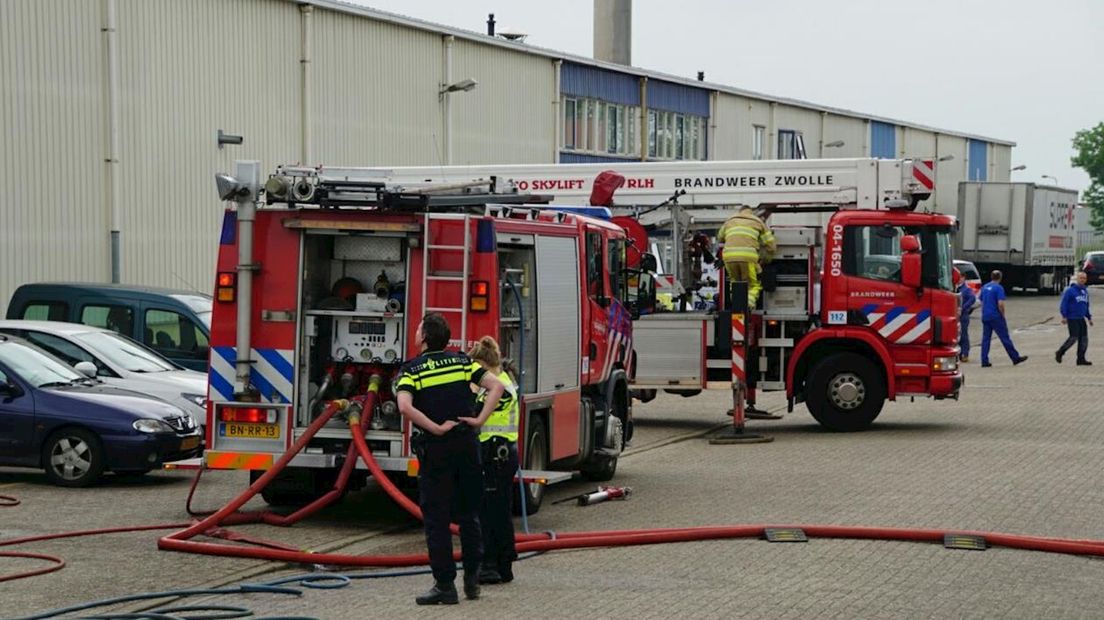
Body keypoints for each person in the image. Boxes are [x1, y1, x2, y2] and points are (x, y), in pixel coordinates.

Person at [396, 313, 505, 606]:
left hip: (436, 450)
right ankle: (472, 579)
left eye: (418, 329)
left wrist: (434, 427)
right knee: (469, 514)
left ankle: (445, 585)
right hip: (467, 447)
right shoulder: (463, 362)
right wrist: (478, 420)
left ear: (425, 338)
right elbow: (498, 387)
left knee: (437, 520)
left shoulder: (411, 370)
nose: (416, 332)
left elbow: (404, 407)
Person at [460, 336, 520, 586]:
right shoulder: (506, 380)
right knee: (499, 511)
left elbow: (474, 411)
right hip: (500, 454)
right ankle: (503, 565)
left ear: (483, 366)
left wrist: (472, 390)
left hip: (496, 455)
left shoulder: (500, 389)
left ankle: (492, 564)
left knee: (490, 513)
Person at [716, 205, 776, 310]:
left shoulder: (730, 221)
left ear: (740, 211)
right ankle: (748, 305)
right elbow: (770, 245)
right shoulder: (757, 221)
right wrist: (767, 258)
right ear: (751, 212)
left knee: (735, 282)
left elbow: (720, 238)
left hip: (729, 257)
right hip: (748, 257)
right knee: (753, 284)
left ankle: (736, 305)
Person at [978, 270, 1028, 367]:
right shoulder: (999, 288)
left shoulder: (985, 287)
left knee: (986, 339)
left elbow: (981, 301)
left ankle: (984, 360)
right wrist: (1003, 315)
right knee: (1005, 338)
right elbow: (1000, 303)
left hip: (986, 316)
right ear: (1000, 278)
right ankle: (1015, 357)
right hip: (996, 316)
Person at [1056, 271, 1094, 366]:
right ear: (1077, 279)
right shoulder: (1070, 291)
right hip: (1072, 318)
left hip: (1081, 318)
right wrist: (1064, 316)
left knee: (1084, 339)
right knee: (1073, 337)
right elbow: (1064, 304)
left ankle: (1081, 359)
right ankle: (1060, 352)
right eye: (1081, 278)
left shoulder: (1085, 291)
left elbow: (1085, 305)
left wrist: (1089, 317)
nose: (1082, 280)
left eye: (1084, 278)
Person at [958, 272, 977, 362]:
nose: (959, 279)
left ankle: (965, 353)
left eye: (960, 277)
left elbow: (972, 298)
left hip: (963, 315)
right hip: (956, 315)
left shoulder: (966, 289)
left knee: (963, 335)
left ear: (964, 278)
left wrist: (964, 307)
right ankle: (959, 353)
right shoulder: (956, 288)